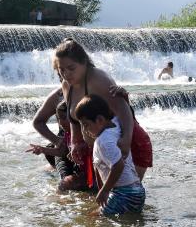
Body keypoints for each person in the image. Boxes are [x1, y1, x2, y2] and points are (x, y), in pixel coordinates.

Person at [56, 38, 153, 182]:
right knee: (108, 200)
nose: (66, 74)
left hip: (128, 144)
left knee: (126, 196)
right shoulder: (67, 85)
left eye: (71, 68)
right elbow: (75, 118)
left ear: (84, 62)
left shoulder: (98, 79)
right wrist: (76, 142)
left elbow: (124, 111)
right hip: (103, 149)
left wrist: (126, 140)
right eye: (61, 69)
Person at [73, 94, 145, 217]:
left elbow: (118, 165)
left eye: (86, 125)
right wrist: (123, 95)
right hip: (137, 191)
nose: (84, 130)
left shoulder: (104, 141)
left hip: (123, 194)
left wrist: (105, 190)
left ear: (100, 120)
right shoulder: (116, 124)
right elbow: (125, 110)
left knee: (95, 221)